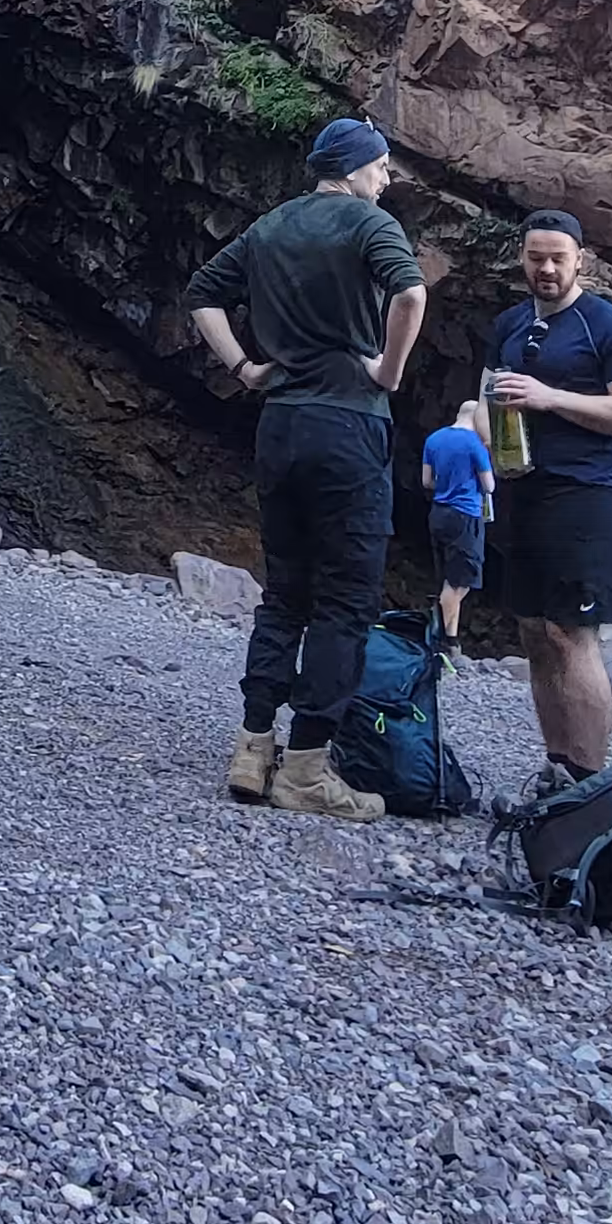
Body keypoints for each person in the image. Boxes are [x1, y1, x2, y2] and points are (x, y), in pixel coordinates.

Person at [183, 117, 427, 820]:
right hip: (348, 426)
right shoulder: (366, 223)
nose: (385, 182)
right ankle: (308, 769)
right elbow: (410, 295)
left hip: (281, 425)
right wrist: (388, 370)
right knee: (345, 602)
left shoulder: (271, 227)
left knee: (284, 592)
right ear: (352, 170)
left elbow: (202, 293)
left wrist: (244, 367)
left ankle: (253, 748)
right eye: (381, 169)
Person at [481, 211, 612, 781]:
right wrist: (485, 439)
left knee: (572, 633)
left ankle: (590, 781)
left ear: (581, 258)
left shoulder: (608, 326)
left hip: (590, 493)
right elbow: (488, 397)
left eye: (558, 257)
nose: (547, 268)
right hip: (524, 491)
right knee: (534, 631)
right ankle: (557, 768)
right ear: (521, 258)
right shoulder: (508, 323)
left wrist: (551, 398)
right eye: (536, 257)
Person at [421, 397, 495, 658]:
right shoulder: (475, 445)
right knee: (460, 582)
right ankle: (438, 640)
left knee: (448, 579)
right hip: (465, 515)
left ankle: (452, 643)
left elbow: (427, 481)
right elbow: (489, 486)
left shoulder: (434, 439)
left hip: (439, 514)